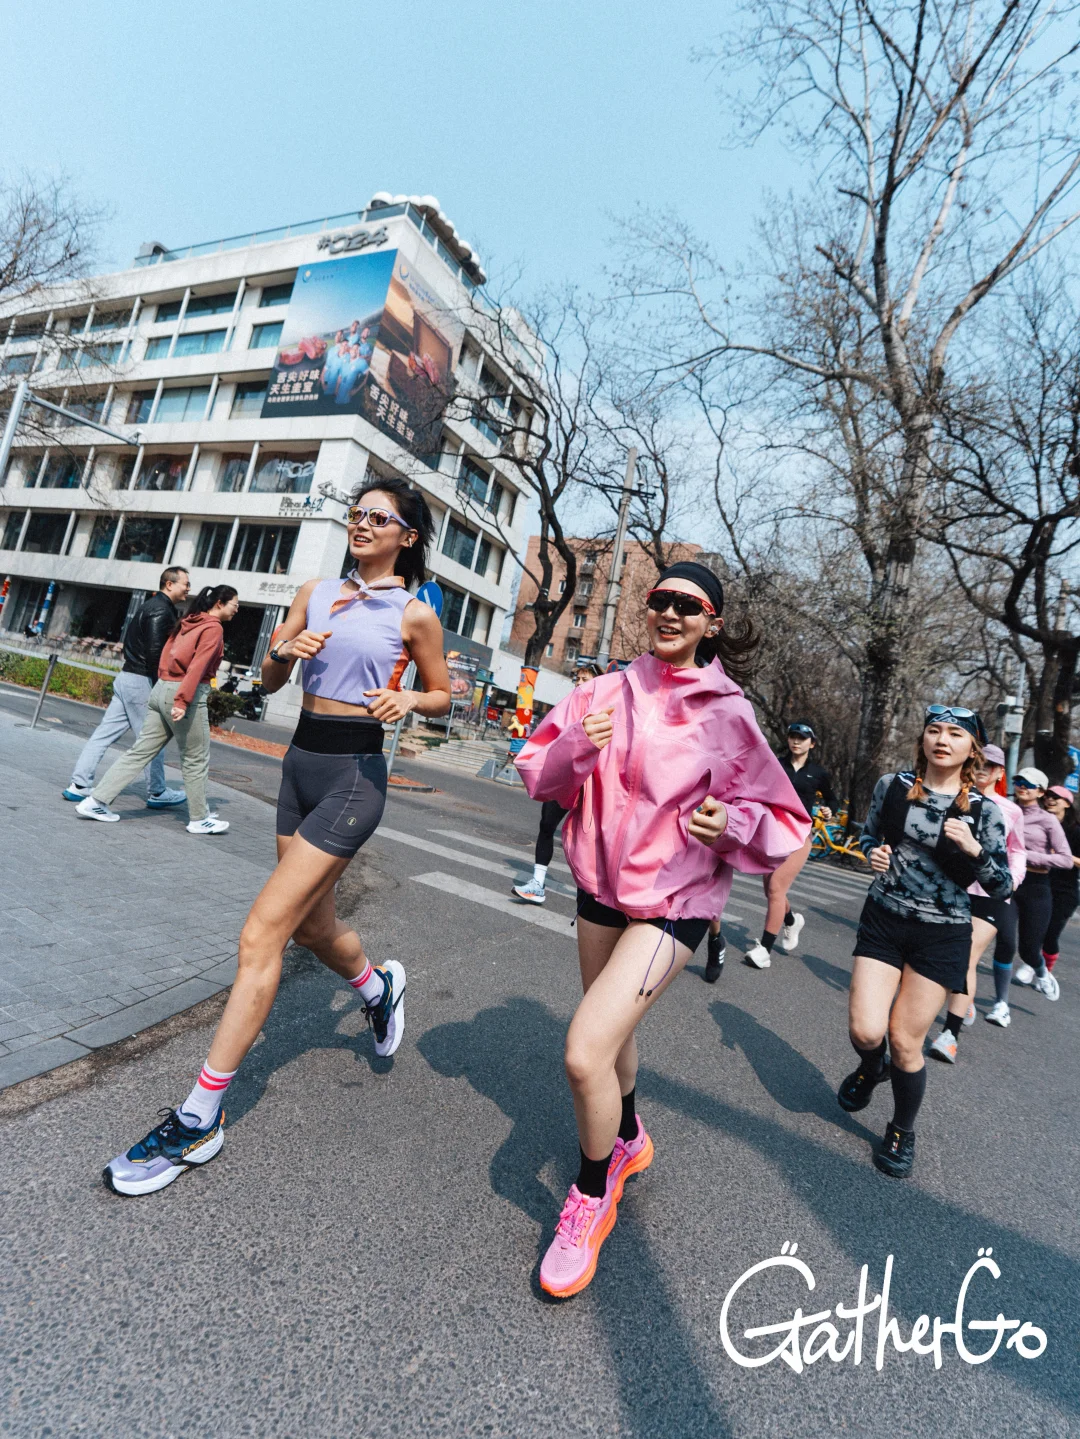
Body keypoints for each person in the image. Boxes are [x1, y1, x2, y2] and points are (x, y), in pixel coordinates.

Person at [102, 480, 451, 1195]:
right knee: (313, 926)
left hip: (354, 775)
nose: (361, 524)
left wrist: (410, 696)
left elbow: (445, 695)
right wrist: (285, 649)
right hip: (300, 764)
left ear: (407, 537)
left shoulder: (414, 613)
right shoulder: (315, 590)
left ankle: (199, 1117)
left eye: (378, 517)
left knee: (262, 934)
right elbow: (269, 678)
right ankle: (378, 986)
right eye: (356, 513)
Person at [515, 560, 809, 1298]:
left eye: (688, 604)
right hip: (599, 890)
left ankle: (590, 1194)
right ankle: (629, 1135)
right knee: (613, 1037)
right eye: (661, 600)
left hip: (675, 902)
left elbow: (785, 819)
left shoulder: (728, 713)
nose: (671, 612)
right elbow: (538, 772)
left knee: (584, 1051)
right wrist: (578, 746)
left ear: (712, 623)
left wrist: (730, 822)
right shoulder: (603, 690)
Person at [837, 707, 1011, 1178]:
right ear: (923, 739)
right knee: (866, 1032)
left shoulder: (985, 811)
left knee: (904, 1041)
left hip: (942, 934)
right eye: (934, 730)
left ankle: (901, 1129)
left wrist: (975, 850)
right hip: (884, 919)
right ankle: (871, 1068)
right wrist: (872, 853)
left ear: (971, 749)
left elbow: (1002, 887)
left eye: (955, 733)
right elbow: (868, 835)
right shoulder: (893, 786)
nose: (942, 740)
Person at [76, 586, 239, 835]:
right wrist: (182, 700)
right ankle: (199, 818)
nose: (237, 609)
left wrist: (165, 684)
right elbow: (197, 666)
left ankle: (95, 801)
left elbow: (166, 654)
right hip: (186, 694)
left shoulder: (187, 621)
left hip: (162, 688)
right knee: (195, 758)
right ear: (219, 603)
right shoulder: (213, 627)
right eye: (234, 604)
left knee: (140, 751)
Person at [62, 568, 191, 808]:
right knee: (153, 739)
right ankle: (157, 791)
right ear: (169, 584)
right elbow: (155, 653)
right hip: (142, 681)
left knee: (103, 735)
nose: (188, 588)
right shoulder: (160, 610)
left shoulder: (149, 605)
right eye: (185, 583)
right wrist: (165, 684)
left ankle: (79, 785)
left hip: (127, 677)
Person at [927, 743, 1025, 1057]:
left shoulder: (1011, 810)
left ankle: (949, 1036)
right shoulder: (956, 797)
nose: (982, 769)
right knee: (942, 953)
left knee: (966, 956)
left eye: (990, 766)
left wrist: (1012, 880)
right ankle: (962, 999)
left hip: (989, 895)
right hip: (954, 887)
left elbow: (1017, 851)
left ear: (999, 772)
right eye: (979, 763)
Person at [743, 720, 838, 968]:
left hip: (799, 836)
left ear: (812, 743)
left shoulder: (818, 773)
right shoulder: (777, 764)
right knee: (771, 892)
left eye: (802, 738)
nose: (796, 741)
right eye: (793, 736)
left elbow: (832, 800)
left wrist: (829, 810)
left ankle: (764, 951)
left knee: (776, 888)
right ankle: (791, 921)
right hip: (773, 834)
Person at [512, 663, 602, 905]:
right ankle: (537, 884)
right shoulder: (569, 706)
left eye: (585, 679)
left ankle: (598, 895)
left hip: (593, 782)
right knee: (546, 825)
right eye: (577, 679)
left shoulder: (606, 707)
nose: (579, 683)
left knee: (592, 837)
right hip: (566, 777)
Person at [1010, 767, 1073, 1001]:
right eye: (1018, 781)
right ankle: (999, 1003)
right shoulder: (1007, 810)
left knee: (1029, 948)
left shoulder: (1048, 821)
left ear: (1040, 791)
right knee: (1004, 941)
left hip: (1038, 885)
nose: (1022, 787)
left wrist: (1025, 855)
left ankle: (1041, 971)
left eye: (1028, 784)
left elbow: (1066, 860)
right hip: (1008, 882)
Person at [1040, 784, 1080, 974]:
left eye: (1056, 797)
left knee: (1050, 935)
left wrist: (1063, 857)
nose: (1050, 800)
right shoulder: (1038, 824)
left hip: (1065, 891)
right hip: (1039, 885)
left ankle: (1045, 971)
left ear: (1067, 804)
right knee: (1034, 931)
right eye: (1048, 796)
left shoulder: (1076, 831)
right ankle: (1034, 963)